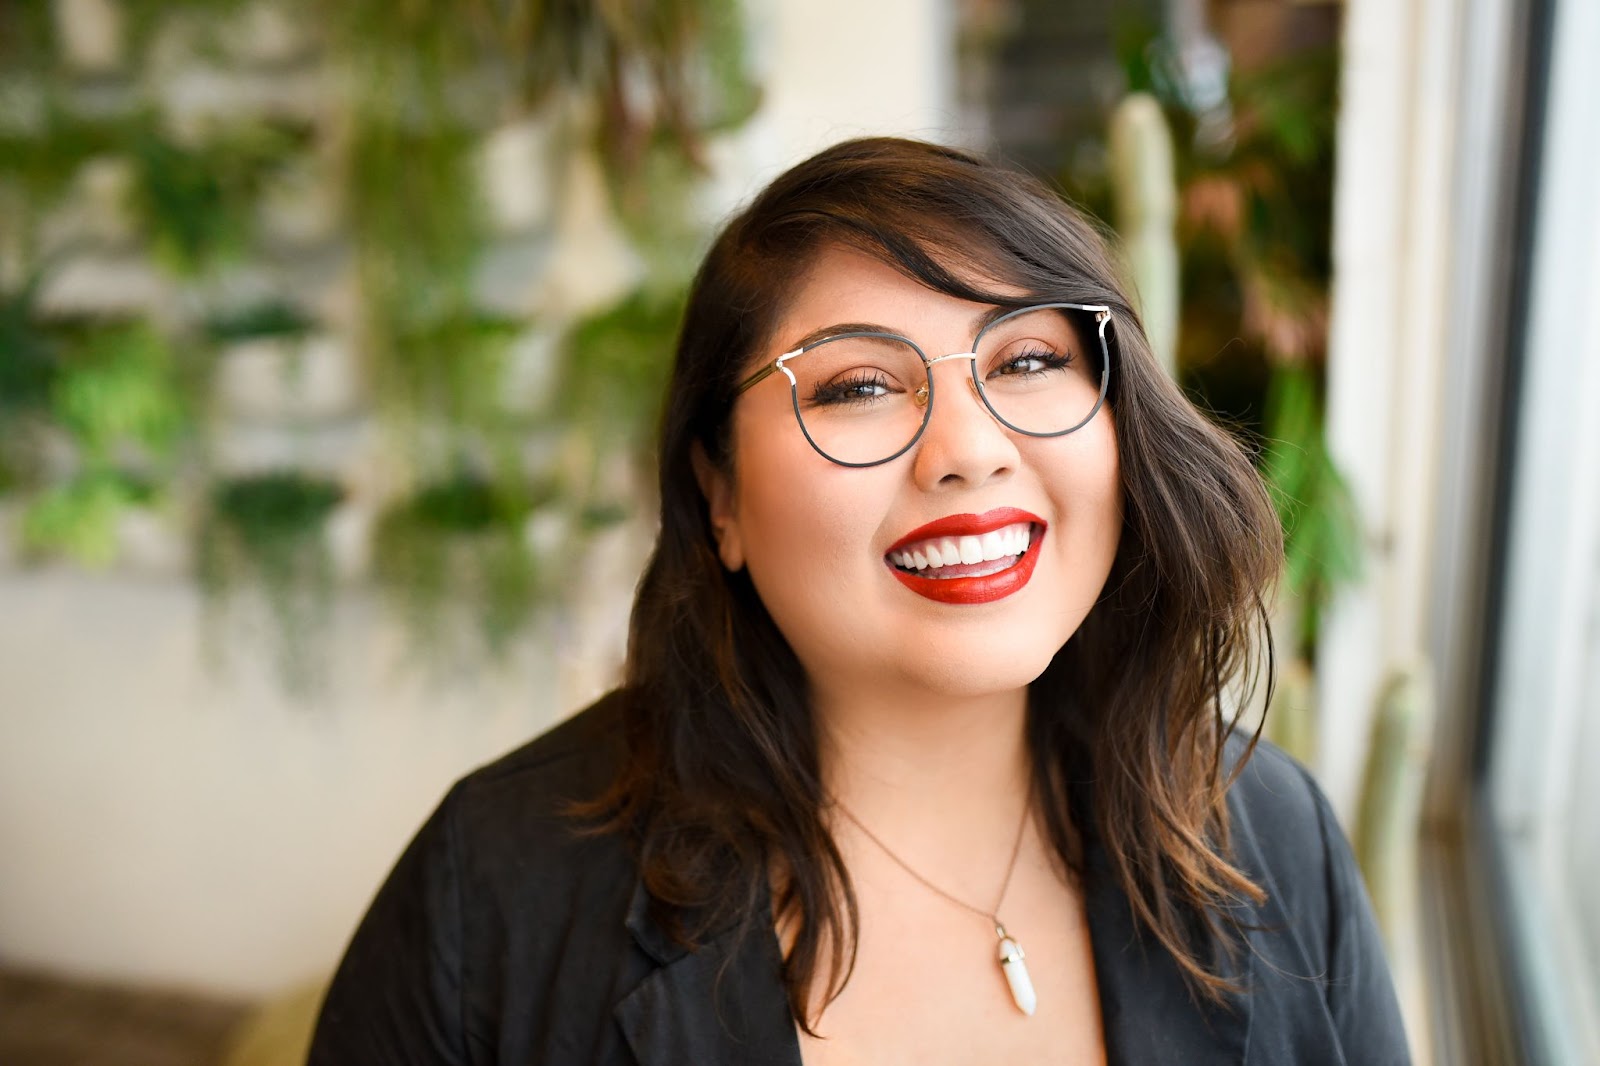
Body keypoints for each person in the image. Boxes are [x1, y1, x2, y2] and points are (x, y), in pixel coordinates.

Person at [307, 137, 1410, 1065]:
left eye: (1029, 359)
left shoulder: (1275, 835)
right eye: (860, 385)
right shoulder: (490, 893)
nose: (970, 449)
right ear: (719, 496)